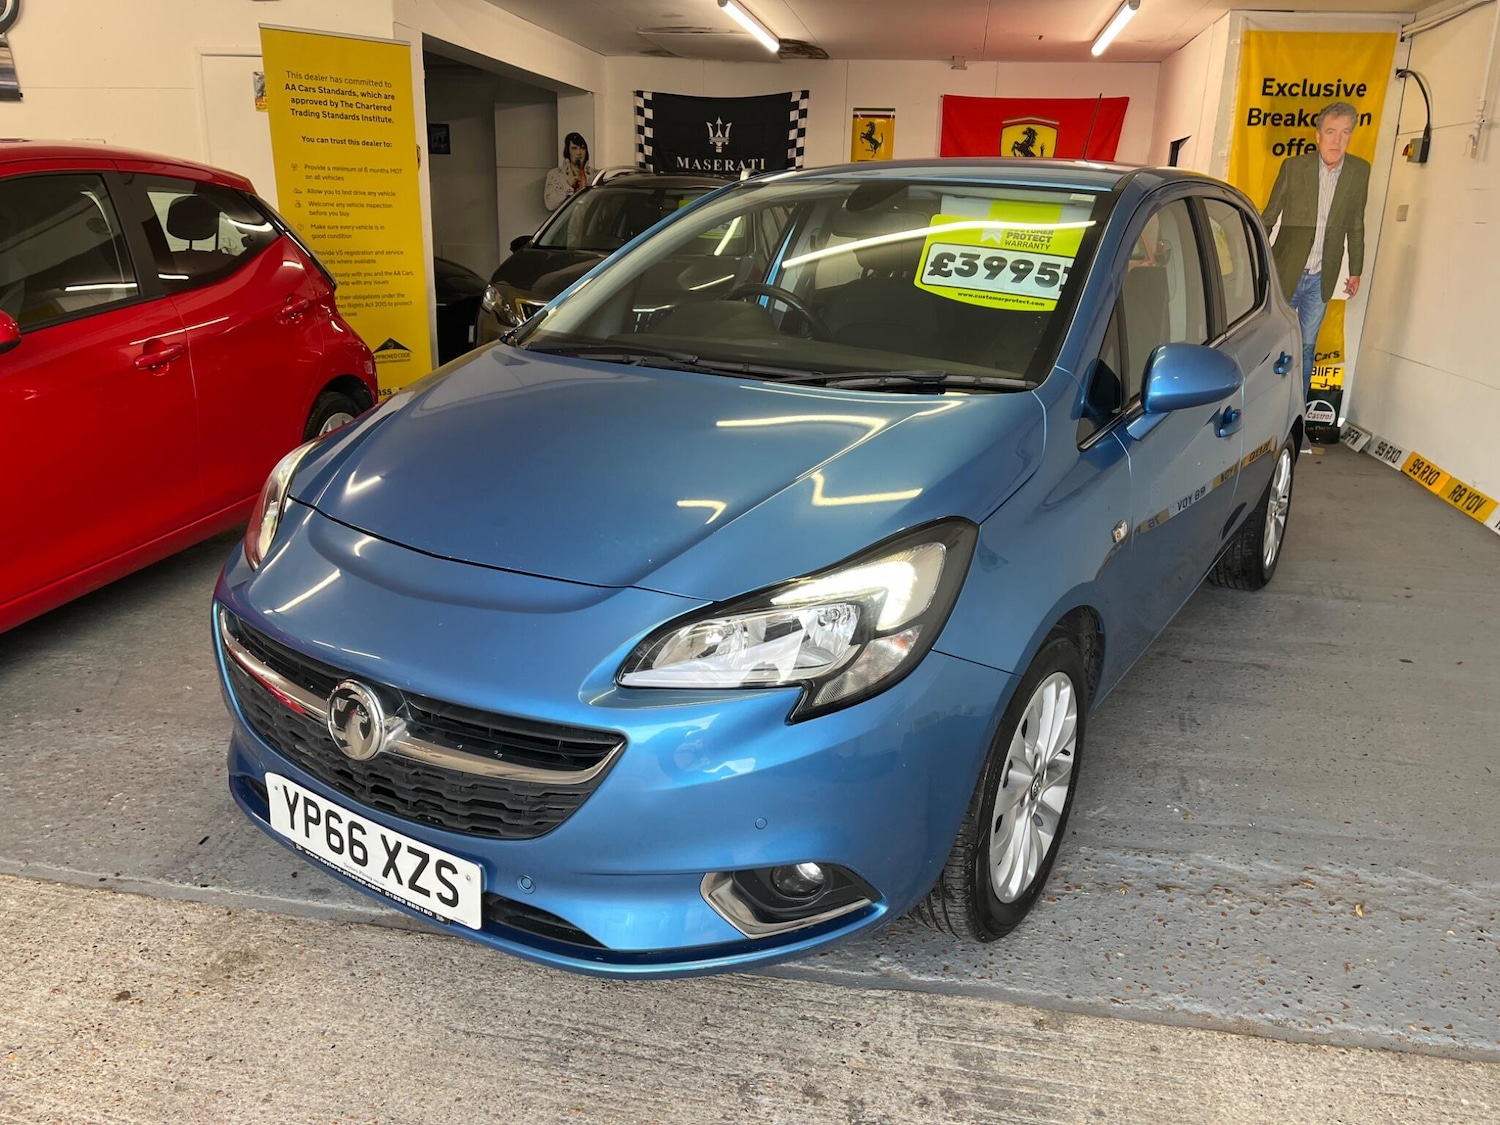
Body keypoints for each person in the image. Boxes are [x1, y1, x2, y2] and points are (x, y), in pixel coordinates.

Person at [1259, 102, 1370, 398]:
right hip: (1286, 271)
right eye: (1331, 132)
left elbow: (1356, 223)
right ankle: (1266, 409)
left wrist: (1356, 270)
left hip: (1322, 276)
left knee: (1307, 348)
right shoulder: (1295, 167)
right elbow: (1269, 216)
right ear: (1318, 135)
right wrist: (1256, 264)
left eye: (1345, 132)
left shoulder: (1359, 171)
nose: (1337, 140)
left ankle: (1297, 417)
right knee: (1273, 344)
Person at [543, 132, 592, 212]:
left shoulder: (595, 174)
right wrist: (568, 187)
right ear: (567, 151)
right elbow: (550, 205)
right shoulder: (555, 174)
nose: (579, 153)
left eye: (582, 148)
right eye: (574, 148)